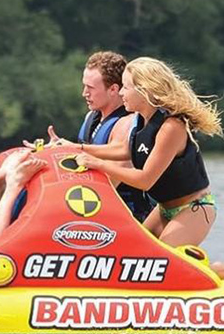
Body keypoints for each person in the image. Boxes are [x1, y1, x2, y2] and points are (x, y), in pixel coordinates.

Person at [61, 57, 224, 278]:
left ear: (144, 90)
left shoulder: (171, 127)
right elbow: (124, 151)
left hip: (193, 209)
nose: (122, 93)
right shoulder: (142, 122)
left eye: (126, 87)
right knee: (134, 261)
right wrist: (76, 148)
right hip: (164, 209)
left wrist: (97, 164)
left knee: (161, 265)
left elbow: (145, 179)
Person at [23, 51, 153, 222]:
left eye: (90, 88)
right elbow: (81, 166)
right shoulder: (92, 117)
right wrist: (51, 154)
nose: (84, 93)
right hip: (91, 207)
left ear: (114, 89)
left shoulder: (126, 124)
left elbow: (107, 185)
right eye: (84, 86)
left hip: (125, 217)